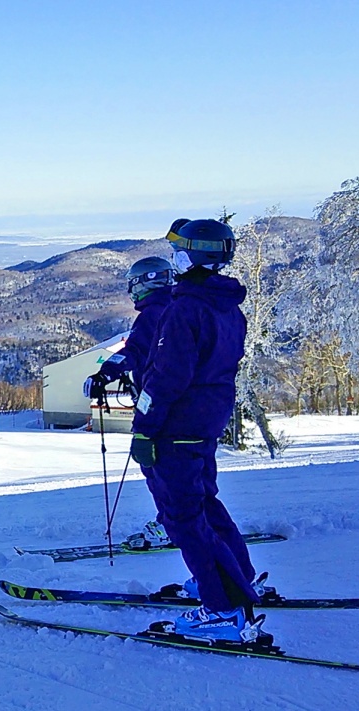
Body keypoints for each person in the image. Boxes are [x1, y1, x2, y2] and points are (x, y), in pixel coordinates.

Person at [130, 219, 267, 643]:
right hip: (206, 422)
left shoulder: (185, 310)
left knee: (183, 517)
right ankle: (238, 582)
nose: (174, 256)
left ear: (192, 255)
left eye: (179, 249)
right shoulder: (227, 307)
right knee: (204, 505)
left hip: (178, 427)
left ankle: (224, 608)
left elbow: (166, 377)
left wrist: (144, 428)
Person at [85, 227, 184, 550]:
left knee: (156, 464)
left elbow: (136, 351)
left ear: (146, 282)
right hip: (183, 404)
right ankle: (175, 520)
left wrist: (105, 374)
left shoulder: (153, 314)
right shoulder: (175, 308)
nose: (131, 292)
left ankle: (171, 524)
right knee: (174, 467)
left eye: (133, 284)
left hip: (160, 405)